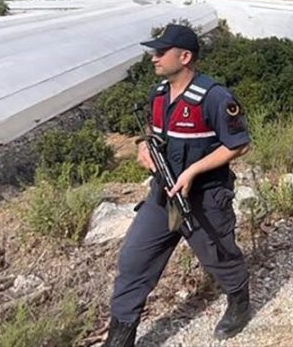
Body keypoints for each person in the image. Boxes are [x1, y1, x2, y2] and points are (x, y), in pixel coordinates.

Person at [103, 24, 253, 347]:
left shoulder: (213, 97)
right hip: (162, 195)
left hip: (205, 197)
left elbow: (239, 144)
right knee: (133, 259)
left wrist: (194, 171)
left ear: (184, 57)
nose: (153, 58)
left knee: (219, 257)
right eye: (154, 52)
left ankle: (240, 303)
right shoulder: (158, 95)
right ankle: (120, 337)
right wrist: (144, 148)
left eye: (161, 52)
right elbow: (152, 133)